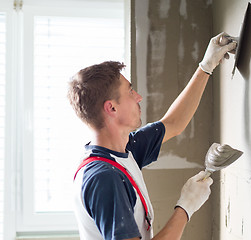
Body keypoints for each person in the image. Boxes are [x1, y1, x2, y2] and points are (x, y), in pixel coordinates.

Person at [68, 32, 236, 240]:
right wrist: (185, 207)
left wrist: (206, 66)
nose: (138, 97)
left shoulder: (121, 150)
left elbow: (173, 123)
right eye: (130, 92)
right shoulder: (105, 178)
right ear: (111, 107)